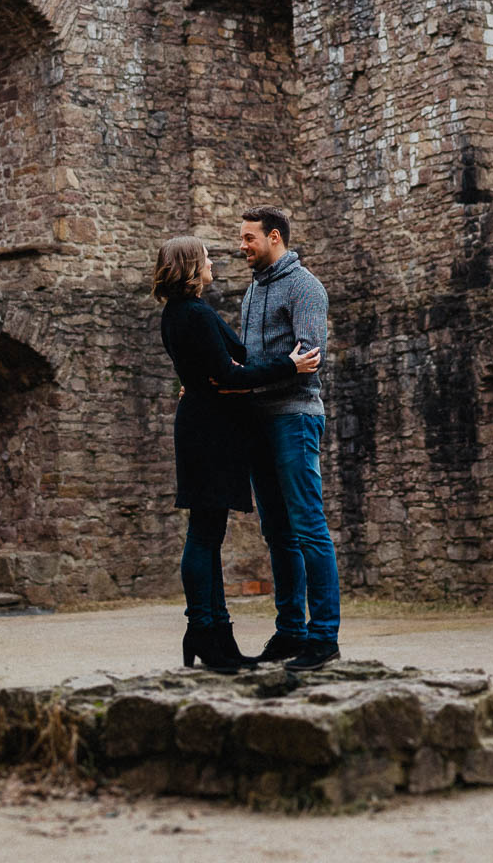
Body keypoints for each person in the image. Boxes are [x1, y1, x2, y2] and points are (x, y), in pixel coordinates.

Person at [152, 233, 320, 673]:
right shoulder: (195, 313)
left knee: (208, 534)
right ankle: (205, 630)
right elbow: (229, 372)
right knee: (205, 536)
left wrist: (230, 375)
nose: (213, 264)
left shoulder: (178, 314)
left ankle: (215, 634)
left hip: (205, 424)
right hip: (210, 431)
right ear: (190, 266)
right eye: (206, 259)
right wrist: (290, 366)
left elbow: (222, 369)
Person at [238, 206, 342, 670]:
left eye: (248, 238)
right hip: (256, 422)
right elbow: (246, 359)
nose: (241, 246)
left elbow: (309, 360)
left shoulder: (306, 287)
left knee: (308, 528)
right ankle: (290, 632)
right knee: (277, 532)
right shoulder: (250, 292)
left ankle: (324, 637)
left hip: (295, 418)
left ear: (274, 237)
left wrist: (251, 378)